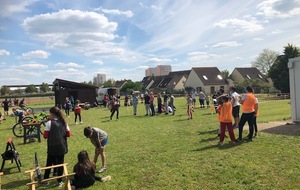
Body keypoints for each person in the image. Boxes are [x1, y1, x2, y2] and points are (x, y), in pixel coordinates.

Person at [42, 107, 71, 187]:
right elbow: (68, 134)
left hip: (52, 146)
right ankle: (59, 181)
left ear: (52, 114)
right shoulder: (64, 122)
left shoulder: (49, 123)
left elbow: (45, 136)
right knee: (60, 163)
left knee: (49, 163)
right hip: (62, 146)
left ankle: (46, 180)